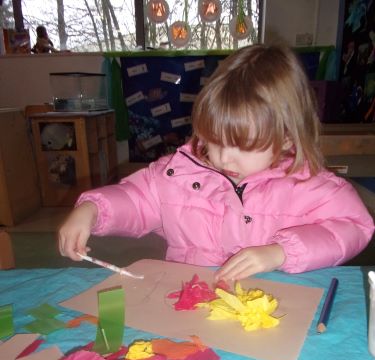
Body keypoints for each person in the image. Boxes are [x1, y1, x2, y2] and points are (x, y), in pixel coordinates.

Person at [58, 44, 374, 280]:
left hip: (269, 311)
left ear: (288, 138)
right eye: (213, 139)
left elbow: (353, 227)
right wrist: (93, 209)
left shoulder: (310, 185)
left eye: (242, 146)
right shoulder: (176, 172)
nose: (223, 156)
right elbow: (137, 199)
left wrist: (281, 252)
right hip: (192, 305)